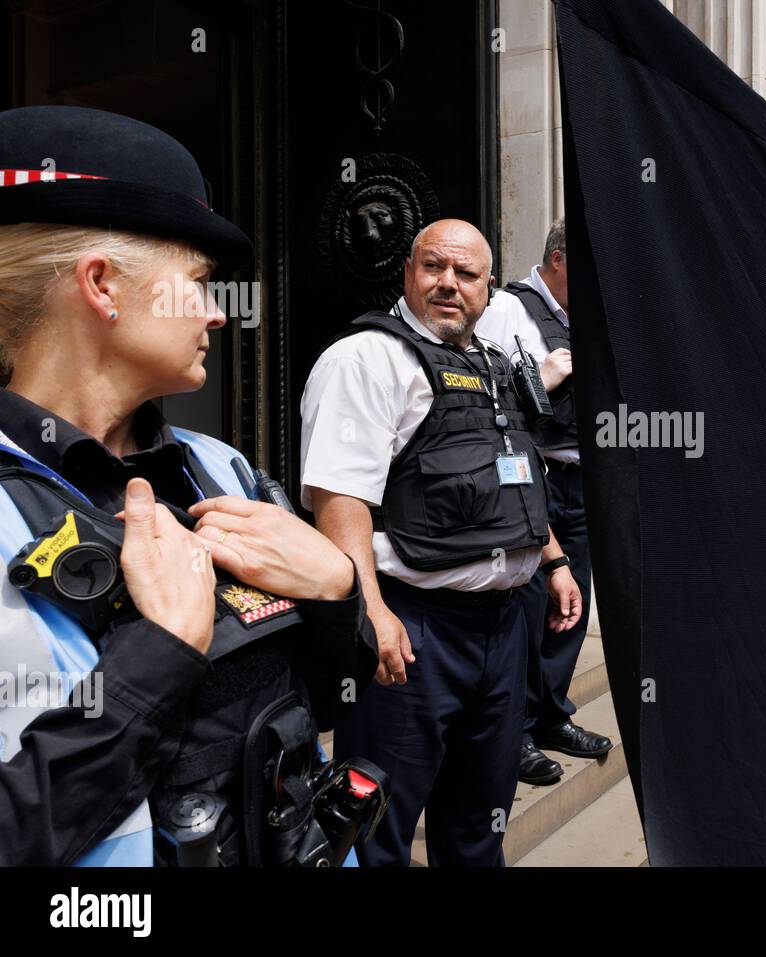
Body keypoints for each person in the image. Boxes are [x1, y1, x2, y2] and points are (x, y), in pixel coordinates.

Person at [0, 106, 377, 866]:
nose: (215, 313)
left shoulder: (220, 466)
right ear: (102, 284)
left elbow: (337, 685)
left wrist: (338, 591)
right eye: (199, 283)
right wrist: (160, 654)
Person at [300, 218, 583, 867]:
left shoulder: (490, 362)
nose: (449, 284)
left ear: (488, 287)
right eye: (434, 267)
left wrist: (556, 560)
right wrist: (369, 612)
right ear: (407, 273)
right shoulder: (365, 360)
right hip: (413, 627)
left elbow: (513, 475)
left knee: (479, 828)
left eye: (466, 274)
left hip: (505, 628)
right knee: (375, 832)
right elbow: (340, 500)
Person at [476, 217, 612, 787]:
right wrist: (546, 379)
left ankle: (552, 713)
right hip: (532, 477)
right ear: (559, 260)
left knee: (570, 606)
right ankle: (519, 731)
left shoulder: (584, 316)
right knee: (529, 609)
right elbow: (482, 389)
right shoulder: (509, 308)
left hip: (582, 482)